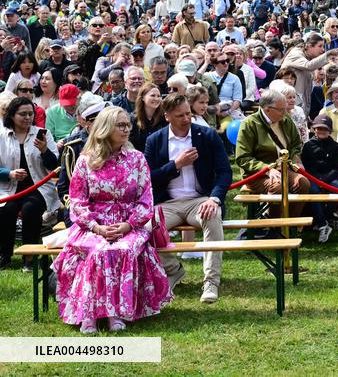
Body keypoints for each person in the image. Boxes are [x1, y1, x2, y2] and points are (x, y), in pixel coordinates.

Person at [51, 106, 172, 333]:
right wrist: (96, 227)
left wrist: (128, 225)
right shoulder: (86, 161)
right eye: (121, 125)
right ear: (105, 128)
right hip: (92, 225)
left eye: (128, 125)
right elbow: (77, 201)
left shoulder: (137, 159)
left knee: (122, 250)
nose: (126, 129)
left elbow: (146, 200)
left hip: (129, 225)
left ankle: (115, 313)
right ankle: (88, 315)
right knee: (99, 251)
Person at [143, 93, 232, 304]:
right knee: (145, 227)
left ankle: (211, 281)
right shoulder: (155, 140)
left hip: (200, 200)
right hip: (167, 203)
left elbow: (225, 172)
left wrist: (214, 199)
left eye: (188, 114)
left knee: (213, 216)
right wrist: (175, 165)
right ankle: (173, 269)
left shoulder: (207, 135)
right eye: (180, 115)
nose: (186, 119)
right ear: (167, 116)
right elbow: (147, 177)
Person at [0, 96, 59, 269]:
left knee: (31, 209)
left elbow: (54, 166)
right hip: (7, 188)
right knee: (7, 210)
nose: (27, 117)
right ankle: (5, 255)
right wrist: (9, 173)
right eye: (23, 114)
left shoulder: (43, 134)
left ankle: (29, 257)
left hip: (38, 188)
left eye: (30, 114)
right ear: (12, 115)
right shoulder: (1, 136)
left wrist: (44, 150)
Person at [234, 88, 311, 220]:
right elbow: (243, 158)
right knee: (277, 186)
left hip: (284, 169)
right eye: (281, 109)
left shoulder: (286, 120)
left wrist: (296, 160)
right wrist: (267, 169)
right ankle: (273, 224)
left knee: (303, 183)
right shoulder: (249, 124)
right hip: (258, 175)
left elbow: (295, 145)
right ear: (267, 110)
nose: (285, 112)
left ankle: (291, 224)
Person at [300, 114, 338, 243]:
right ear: (314, 129)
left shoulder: (335, 146)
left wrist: (324, 180)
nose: (321, 131)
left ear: (330, 131)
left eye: (325, 129)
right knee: (314, 191)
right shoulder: (308, 146)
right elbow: (307, 166)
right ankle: (322, 225)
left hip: (330, 177)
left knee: (336, 189)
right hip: (312, 177)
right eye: (319, 128)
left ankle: (326, 219)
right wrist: (317, 179)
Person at [278, 32, 333, 117]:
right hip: (289, 105)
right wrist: (329, 55)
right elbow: (308, 66)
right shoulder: (296, 53)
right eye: (320, 46)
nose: (323, 50)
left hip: (300, 107)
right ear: (309, 46)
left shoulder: (308, 58)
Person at [130, 83, 166, 153]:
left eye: (159, 96)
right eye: (153, 95)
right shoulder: (133, 119)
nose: (156, 99)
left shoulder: (164, 118)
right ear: (142, 98)